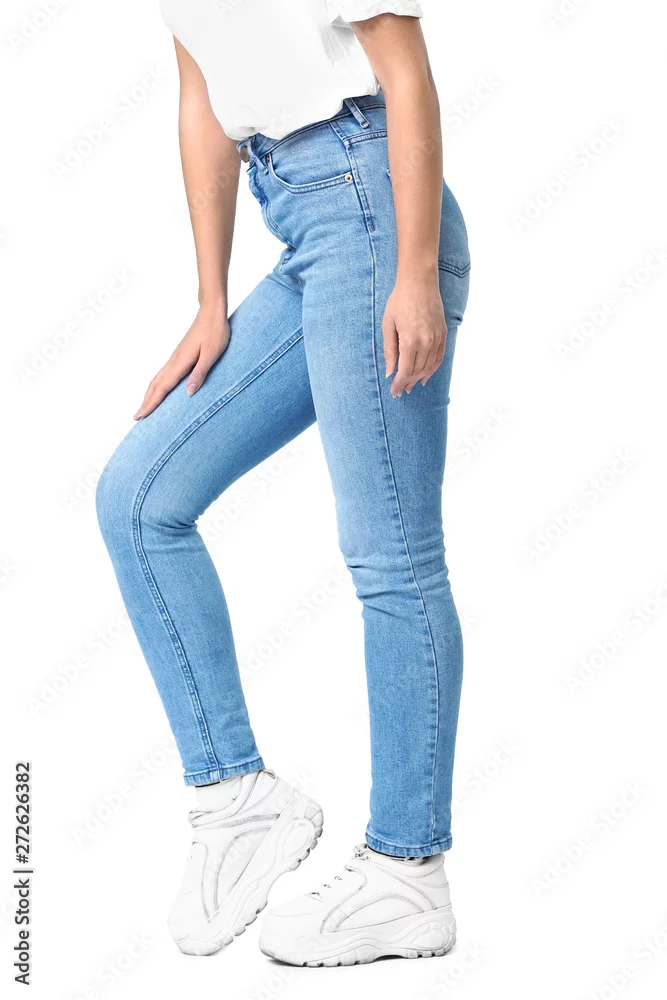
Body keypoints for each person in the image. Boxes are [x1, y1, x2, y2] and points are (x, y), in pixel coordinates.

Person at [95, 0, 471, 967]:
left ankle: (408, 872)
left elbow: (406, 75)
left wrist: (415, 272)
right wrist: (210, 300)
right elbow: (201, 98)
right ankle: (238, 801)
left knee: (391, 557)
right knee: (138, 499)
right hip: (304, 228)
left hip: (377, 213)